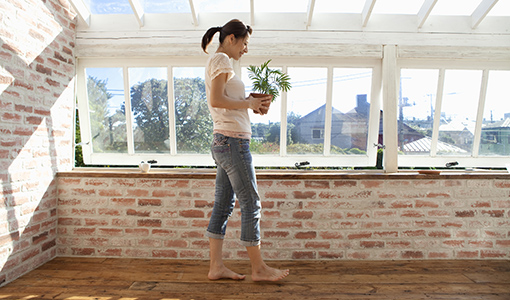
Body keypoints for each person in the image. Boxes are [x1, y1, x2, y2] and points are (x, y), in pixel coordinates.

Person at [201, 19, 289, 282]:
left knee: (224, 205)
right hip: (232, 142)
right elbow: (216, 100)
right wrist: (249, 104)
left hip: (224, 141)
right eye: (245, 43)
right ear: (231, 39)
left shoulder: (219, 62)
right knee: (251, 203)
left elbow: (224, 101)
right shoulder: (222, 61)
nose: (246, 49)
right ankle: (259, 269)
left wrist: (249, 103)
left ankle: (216, 267)